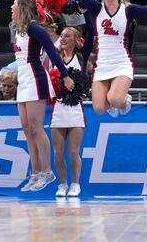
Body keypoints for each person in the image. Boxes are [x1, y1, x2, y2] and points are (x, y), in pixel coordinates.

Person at [70, 0, 147, 116]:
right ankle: (116, 97)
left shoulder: (128, 10)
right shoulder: (96, 8)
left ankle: (124, 100)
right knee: (99, 109)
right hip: (102, 63)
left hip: (121, 62)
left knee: (115, 99)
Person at [12, 0, 74, 192]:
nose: (11, 9)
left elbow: (53, 53)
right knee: (27, 130)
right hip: (23, 81)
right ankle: (35, 172)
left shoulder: (35, 28)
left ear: (22, 8)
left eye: (13, 5)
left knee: (37, 128)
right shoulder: (19, 30)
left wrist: (64, 76)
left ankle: (47, 172)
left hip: (35, 80)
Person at [52, 24, 93, 198]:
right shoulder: (53, 56)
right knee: (58, 152)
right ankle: (62, 184)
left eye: (67, 36)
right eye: (61, 35)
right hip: (58, 107)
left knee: (73, 152)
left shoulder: (81, 58)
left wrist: (89, 14)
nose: (63, 38)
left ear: (76, 40)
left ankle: (75, 184)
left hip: (76, 107)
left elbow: (91, 37)